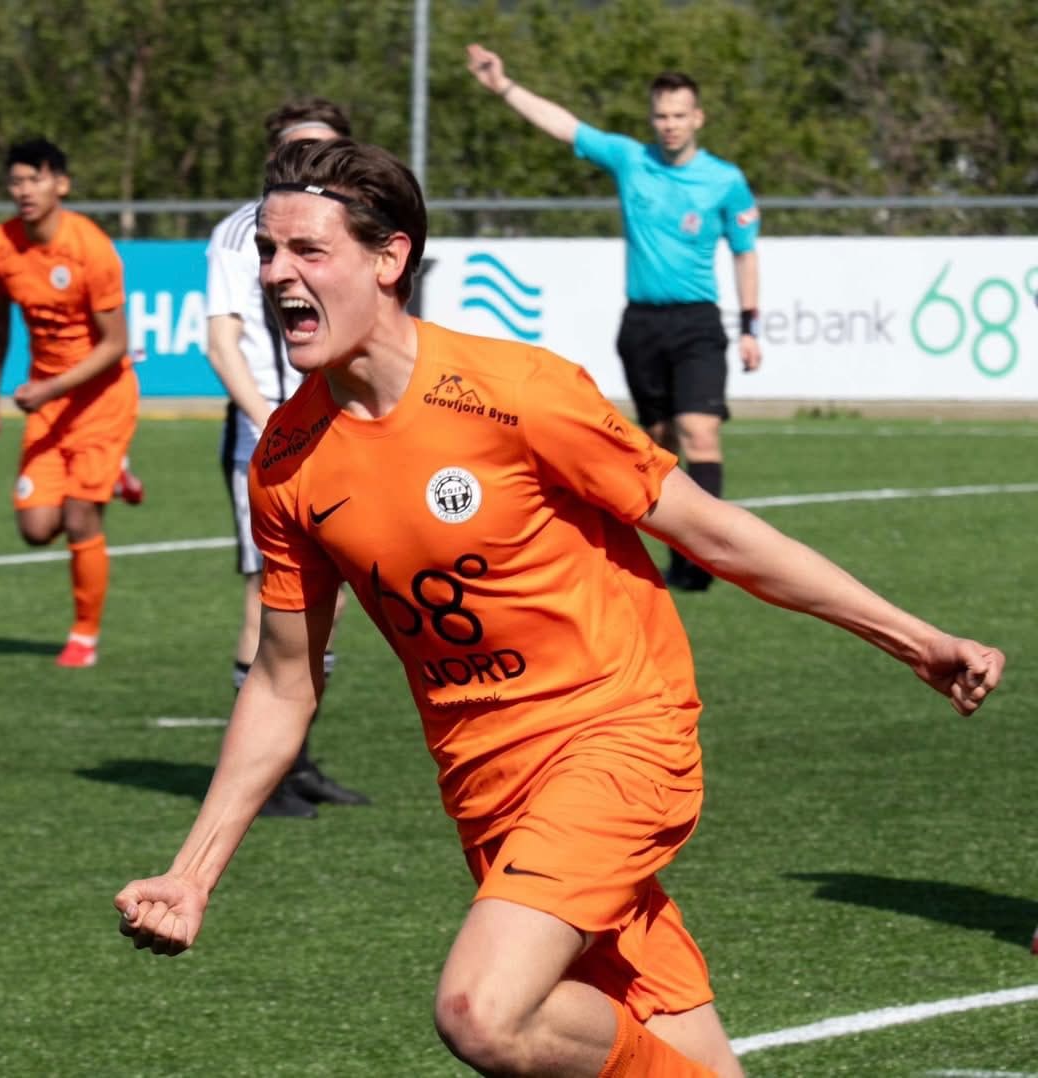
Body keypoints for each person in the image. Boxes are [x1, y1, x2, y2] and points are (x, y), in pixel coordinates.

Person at [114, 139, 1004, 1077]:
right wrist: (193, 873)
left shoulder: (517, 393)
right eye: (267, 252)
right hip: (487, 789)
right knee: (671, 1045)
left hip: (620, 738)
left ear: (389, 258)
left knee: (482, 1012)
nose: (275, 275)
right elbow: (283, 682)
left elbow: (714, 532)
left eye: (307, 250)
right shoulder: (287, 462)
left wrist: (913, 638)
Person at [467, 44, 762, 593]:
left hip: (697, 323)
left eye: (679, 115)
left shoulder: (724, 181)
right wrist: (504, 86)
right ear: (653, 118)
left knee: (699, 432)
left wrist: (750, 326)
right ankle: (681, 555)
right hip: (642, 325)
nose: (670, 125)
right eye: (662, 115)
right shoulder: (631, 159)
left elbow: (745, 254)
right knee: (660, 444)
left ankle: (707, 562)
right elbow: (566, 127)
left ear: (698, 118)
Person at [204, 98, 368, 817]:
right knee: (271, 597)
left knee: (330, 597)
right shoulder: (241, 234)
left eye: (325, 153)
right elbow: (222, 344)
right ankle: (261, 778)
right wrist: (272, 424)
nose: (310, 168)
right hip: (267, 434)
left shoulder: (347, 227)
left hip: (336, 428)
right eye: (297, 152)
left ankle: (294, 760)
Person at [0, 138, 140, 668]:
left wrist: (49, 388)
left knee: (79, 517)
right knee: (35, 529)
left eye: (36, 179)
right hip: (47, 403)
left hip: (101, 399)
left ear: (61, 184)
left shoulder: (91, 248)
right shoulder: (1, 245)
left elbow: (115, 343)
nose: (25, 190)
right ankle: (117, 472)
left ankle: (84, 636)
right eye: (16, 181)